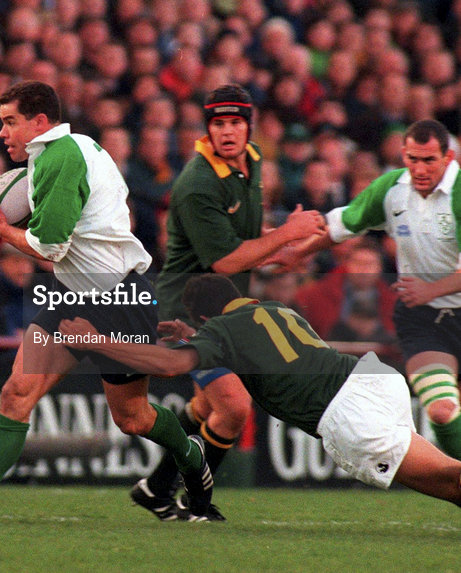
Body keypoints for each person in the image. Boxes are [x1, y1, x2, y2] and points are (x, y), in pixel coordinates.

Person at [58, 274, 461, 538]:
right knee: (437, 475)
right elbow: (233, 338)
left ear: (203, 317)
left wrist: (95, 338)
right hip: (375, 378)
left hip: (344, 414)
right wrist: (192, 330)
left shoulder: (221, 332)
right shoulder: (272, 309)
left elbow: (172, 366)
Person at [0, 80, 213, 524]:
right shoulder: (60, 152)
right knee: (16, 391)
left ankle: (189, 452)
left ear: (40, 122)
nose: (3, 133)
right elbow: (46, 213)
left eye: (11, 122)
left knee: (132, 417)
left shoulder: (62, 157)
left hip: (118, 297)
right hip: (74, 294)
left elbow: (49, 247)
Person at [277, 118, 461, 523]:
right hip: (419, 318)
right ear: (403, 155)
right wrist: (301, 252)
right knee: (440, 409)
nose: (419, 169)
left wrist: (433, 289)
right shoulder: (392, 189)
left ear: (448, 157)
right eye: (412, 159)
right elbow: (343, 223)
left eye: (429, 161)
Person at [139, 85, 325, 521]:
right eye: (218, 124)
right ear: (207, 129)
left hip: (222, 307)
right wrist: (288, 233)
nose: (227, 132)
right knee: (235, 407)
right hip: (185, 311)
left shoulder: (253, 161)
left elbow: (241, 243)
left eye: (235, 123)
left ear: (249, 126)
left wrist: (278, 252)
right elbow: (223, 261)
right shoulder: (197, 183)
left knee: (207, 407)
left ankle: (156, 487)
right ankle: (195, 504)